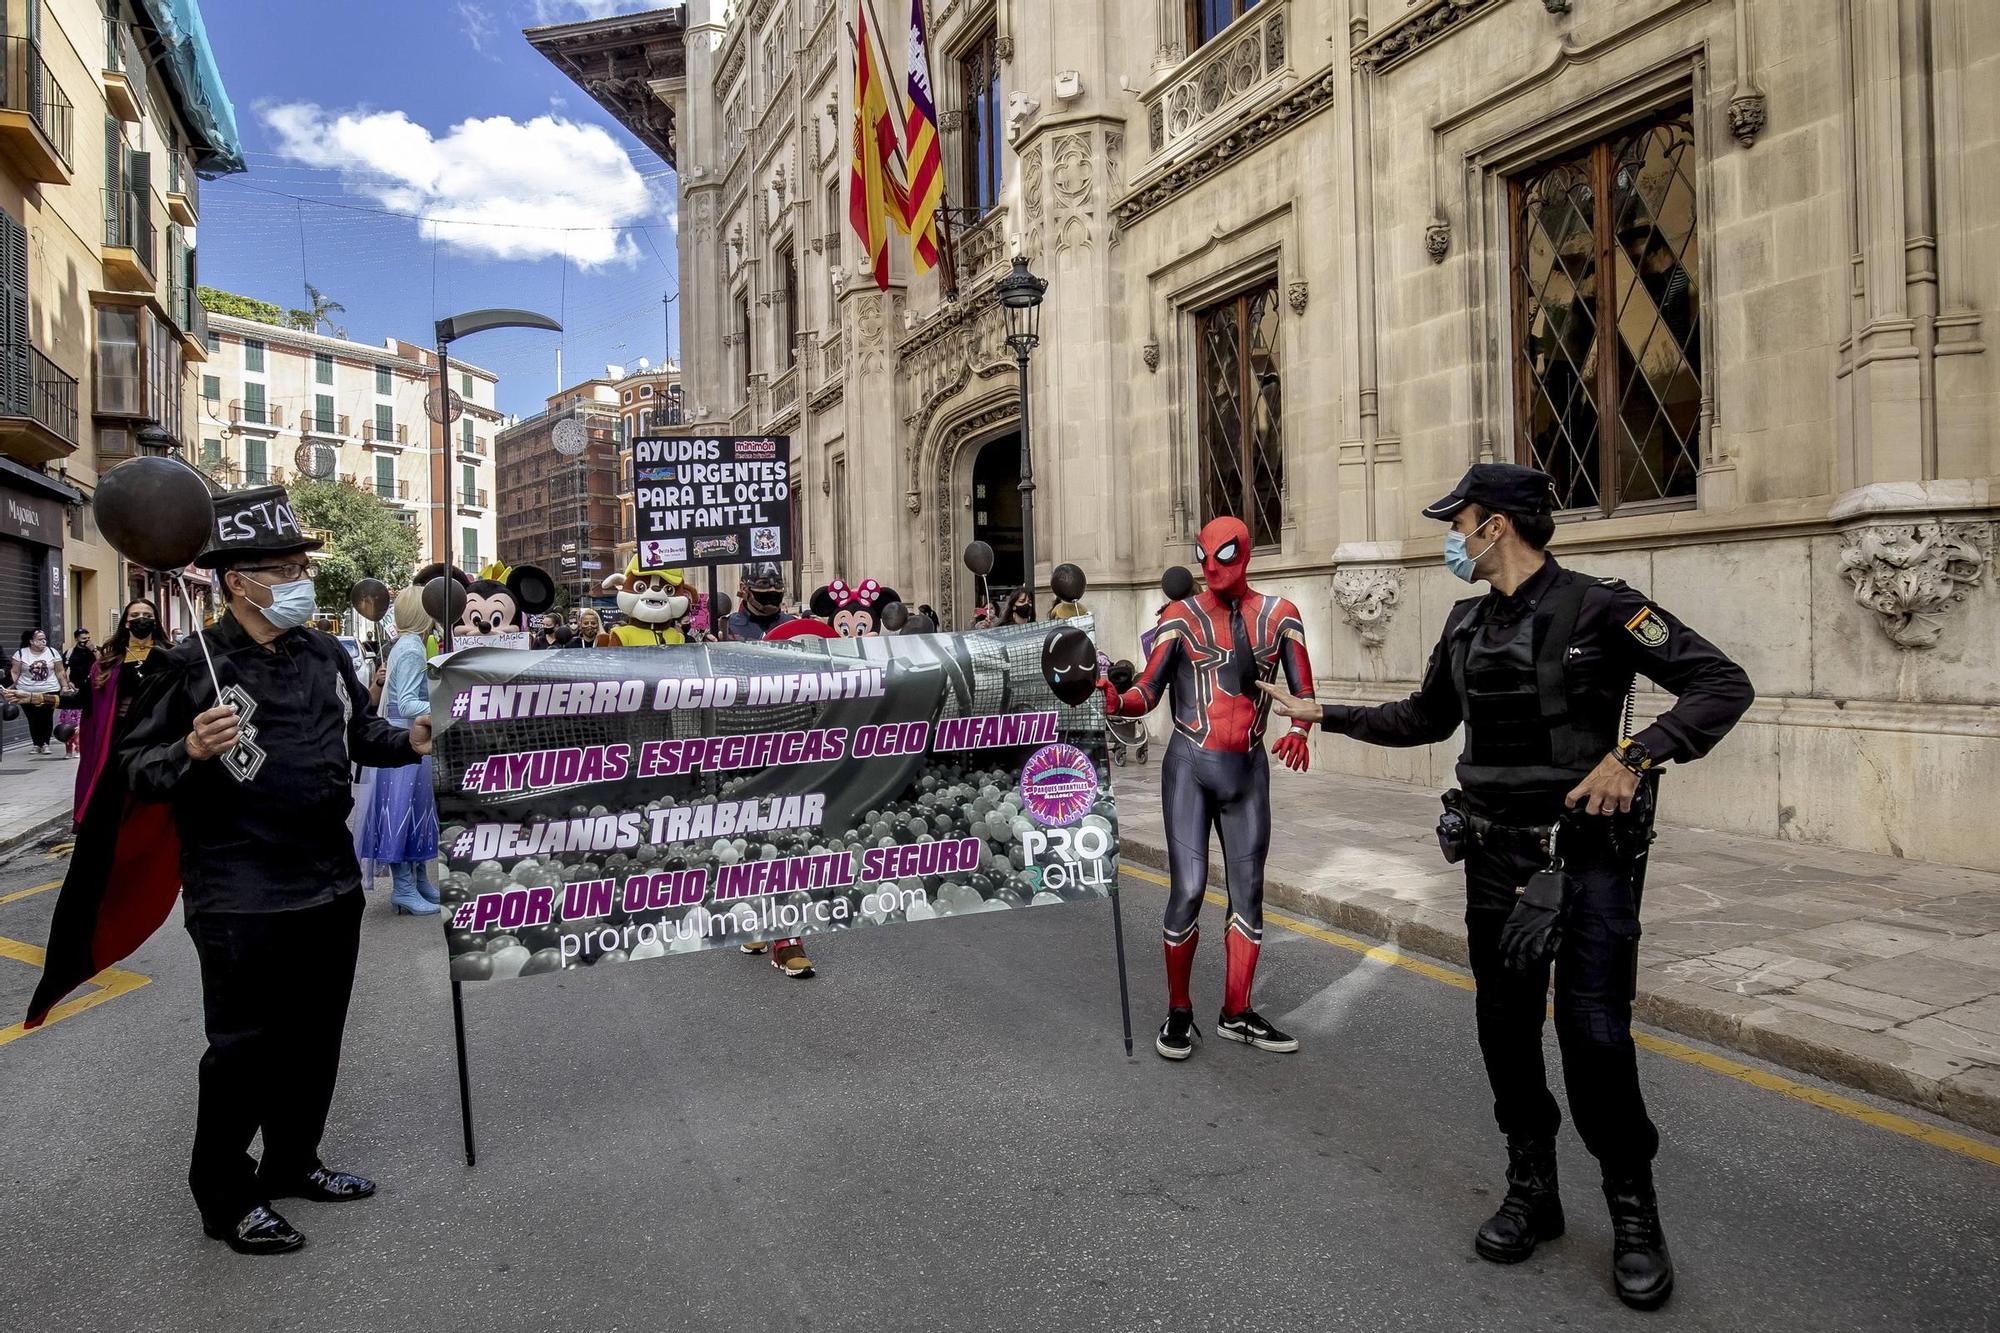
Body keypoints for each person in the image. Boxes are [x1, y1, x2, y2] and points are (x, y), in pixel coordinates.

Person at [1260, 463, 1753, 1311]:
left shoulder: (1604, 606)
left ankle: (1634, 1213)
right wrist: (1326, 713)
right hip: (1493, 857)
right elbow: (1426, 717)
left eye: (1460, 522)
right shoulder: (1463, 621)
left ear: (1498, 526)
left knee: (1595, 1037)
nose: (1452, 537)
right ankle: (1534, 1190)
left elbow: (1720, 684)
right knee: (1505, 1031)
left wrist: (1635, 756)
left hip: (1586, 858)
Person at [114, 485, 433, 1256]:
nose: (300, 581)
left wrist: (413, 736)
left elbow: (364, 735)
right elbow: (132, 770)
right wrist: (189, 749)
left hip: (328, 881)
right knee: (244, 1050)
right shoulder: (188, 665)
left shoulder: (323, 653)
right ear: (238, 581)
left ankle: (294, 1162)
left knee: (314, 1039)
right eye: (284, 568)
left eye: (301, 566)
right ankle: (225, 1194)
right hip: (239, 893)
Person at [1099, 517, 1316, 1061]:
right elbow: (1147, 692)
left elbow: (1304, 692)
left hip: (1247, 770)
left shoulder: (1280, 617)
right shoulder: (1179, 618)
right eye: (1204, 558)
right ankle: (1179, 1010)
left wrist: (1299, 729)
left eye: (1223, 556)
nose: (1212, 569)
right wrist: (1112, 699)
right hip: (1190, 768)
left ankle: (1236, 1012)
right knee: (1188, 889)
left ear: (1245, 554)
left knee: (1249, 894)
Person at [355, 587, 441, 916]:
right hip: (403, 743)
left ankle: (417, 881)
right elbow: (404, 703)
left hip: (405, 743)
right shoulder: (410, 648)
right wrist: (443, 702)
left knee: (415, 815)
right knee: (401, 815)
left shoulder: (407, 645)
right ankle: (404, 887)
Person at [72, 600, 163, 824]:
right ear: (126, 622)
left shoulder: (171, 655)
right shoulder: (109, 662)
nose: (141, 619)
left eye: (147, 614)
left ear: (155, 620)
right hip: (119, 738)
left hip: (159, 738)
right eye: (135, 615)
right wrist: (36, 698)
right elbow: (86, 700)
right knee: (116, 798)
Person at [9, 628, 71, 756]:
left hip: (49, 690)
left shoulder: (52, 653)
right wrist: (10, 687)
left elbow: (60, 671)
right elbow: (15, 672)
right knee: (32, 718)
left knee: (46, 717)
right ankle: (36, 744)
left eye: (44, 639)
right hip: (26, 692)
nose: (43, 641)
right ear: (31, 641)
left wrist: (64, 686)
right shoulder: (21, 654)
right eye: (39, 639)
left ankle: (46, 744)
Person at [725, 562, 795, 641]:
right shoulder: (726, 628)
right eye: (764, 583)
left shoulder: (794, 625)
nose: (773, 589)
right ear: (744, 588)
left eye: (778, 583)